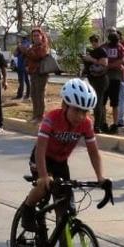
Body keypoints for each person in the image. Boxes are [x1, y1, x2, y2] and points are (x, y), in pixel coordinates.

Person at [19, 79, 108, 235]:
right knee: (43, 187)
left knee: (65, 208)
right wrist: (44, 176)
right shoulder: (51, 119)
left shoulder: (86, 124)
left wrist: (100, 177)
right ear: (64, 105)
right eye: (77, 110)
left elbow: (93, 152)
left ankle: (63, 244)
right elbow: (40, 149)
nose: (80, 116)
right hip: (42, 159)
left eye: (85, 111)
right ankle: (27, 209)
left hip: (60, 163)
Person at [99, 30, 124, 134]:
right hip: (109, 77)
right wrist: (111, 65)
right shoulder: (117, 47)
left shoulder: (110, 47)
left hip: (111, 77)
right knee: (107, 102)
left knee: (111, 102)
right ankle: (106, 123)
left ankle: (111, 124)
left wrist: (108, 66)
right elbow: (121, 61)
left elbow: (122, 60)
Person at [82, 34, 111, 131]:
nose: (94, 43)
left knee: (98, 102)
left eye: (96, 41)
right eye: (92, 41)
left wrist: (91, 59)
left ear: (99, 41)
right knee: (96, 102)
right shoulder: (92, 51)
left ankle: (97, 126)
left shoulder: (101, 51)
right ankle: (100, 124)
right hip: (92, 79)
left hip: (100, 79)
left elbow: (104, 63)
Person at [25, 27, 51, 121]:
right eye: (34, 36)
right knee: (33, 94)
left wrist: (27, 51)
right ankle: (35, 115)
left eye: (37, 35)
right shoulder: (32, 47)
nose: (35, 37)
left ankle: (40, 116)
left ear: (41, 36)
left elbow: (38, 56)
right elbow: (28, 59)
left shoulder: (44, 46)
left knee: (40, 95)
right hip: (33, 73)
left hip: (41, 74)